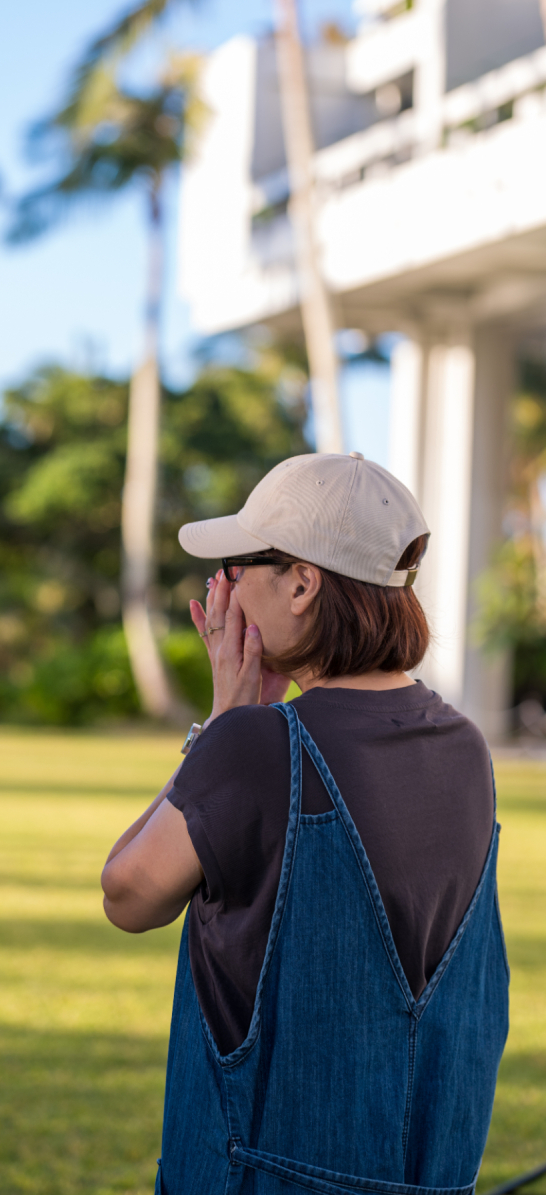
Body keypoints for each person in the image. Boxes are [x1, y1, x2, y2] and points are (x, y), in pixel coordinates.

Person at [101, 451, 509, 1195]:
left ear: (301, 583)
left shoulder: (257, 745)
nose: (224, 590)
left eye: (236, 567)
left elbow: (127, 896)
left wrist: (221, 723)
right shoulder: (465, 746)